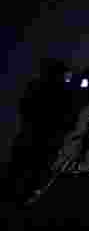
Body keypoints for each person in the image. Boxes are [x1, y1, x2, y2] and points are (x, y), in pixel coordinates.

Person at [4, 58, 78, 206]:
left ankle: (17, 200)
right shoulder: (58, 92)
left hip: (36, 139)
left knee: (25, 172)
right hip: (40, 139)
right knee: (29, 173)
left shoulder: (43, 88)